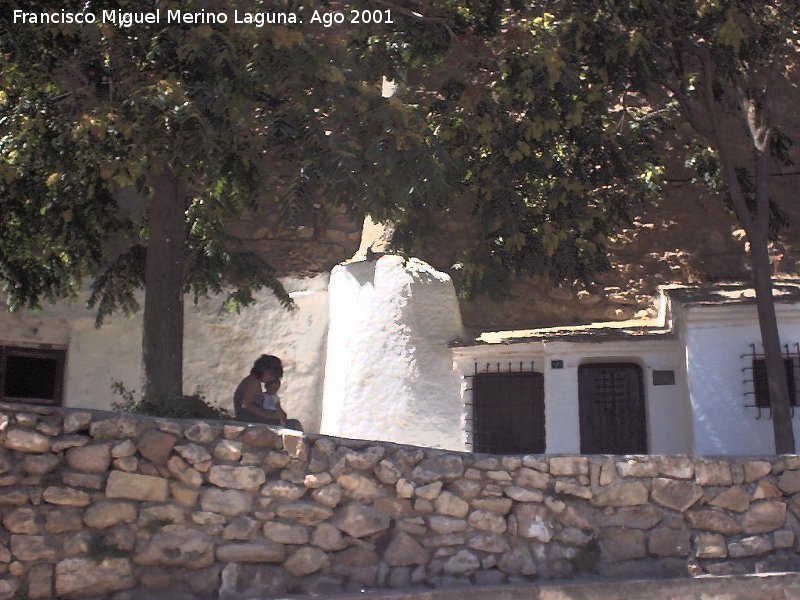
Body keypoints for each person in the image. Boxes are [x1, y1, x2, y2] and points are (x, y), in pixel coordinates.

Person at [233, 355, 302, 430]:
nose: (271, 378)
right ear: (264, 370)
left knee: (291, 423)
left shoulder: (255, 382)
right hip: (249, 420)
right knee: (292, 425)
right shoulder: (252, 381)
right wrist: (269, 415)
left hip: (255, 419)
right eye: (271, 374)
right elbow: (246, 405)